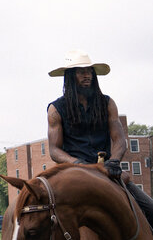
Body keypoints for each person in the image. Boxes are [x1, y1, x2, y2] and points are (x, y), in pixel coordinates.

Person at [47, 49, 153, 227]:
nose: (87, 75)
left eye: (89, 71)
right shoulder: (56, 109)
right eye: (81, 72)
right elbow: (54, 150)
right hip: (74, 171)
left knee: (150, 209)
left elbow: (119, 140)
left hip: (107, 171)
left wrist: (114, 161)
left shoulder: (107, 103)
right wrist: (78, 163)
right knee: (43, 219)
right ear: (70, 76)